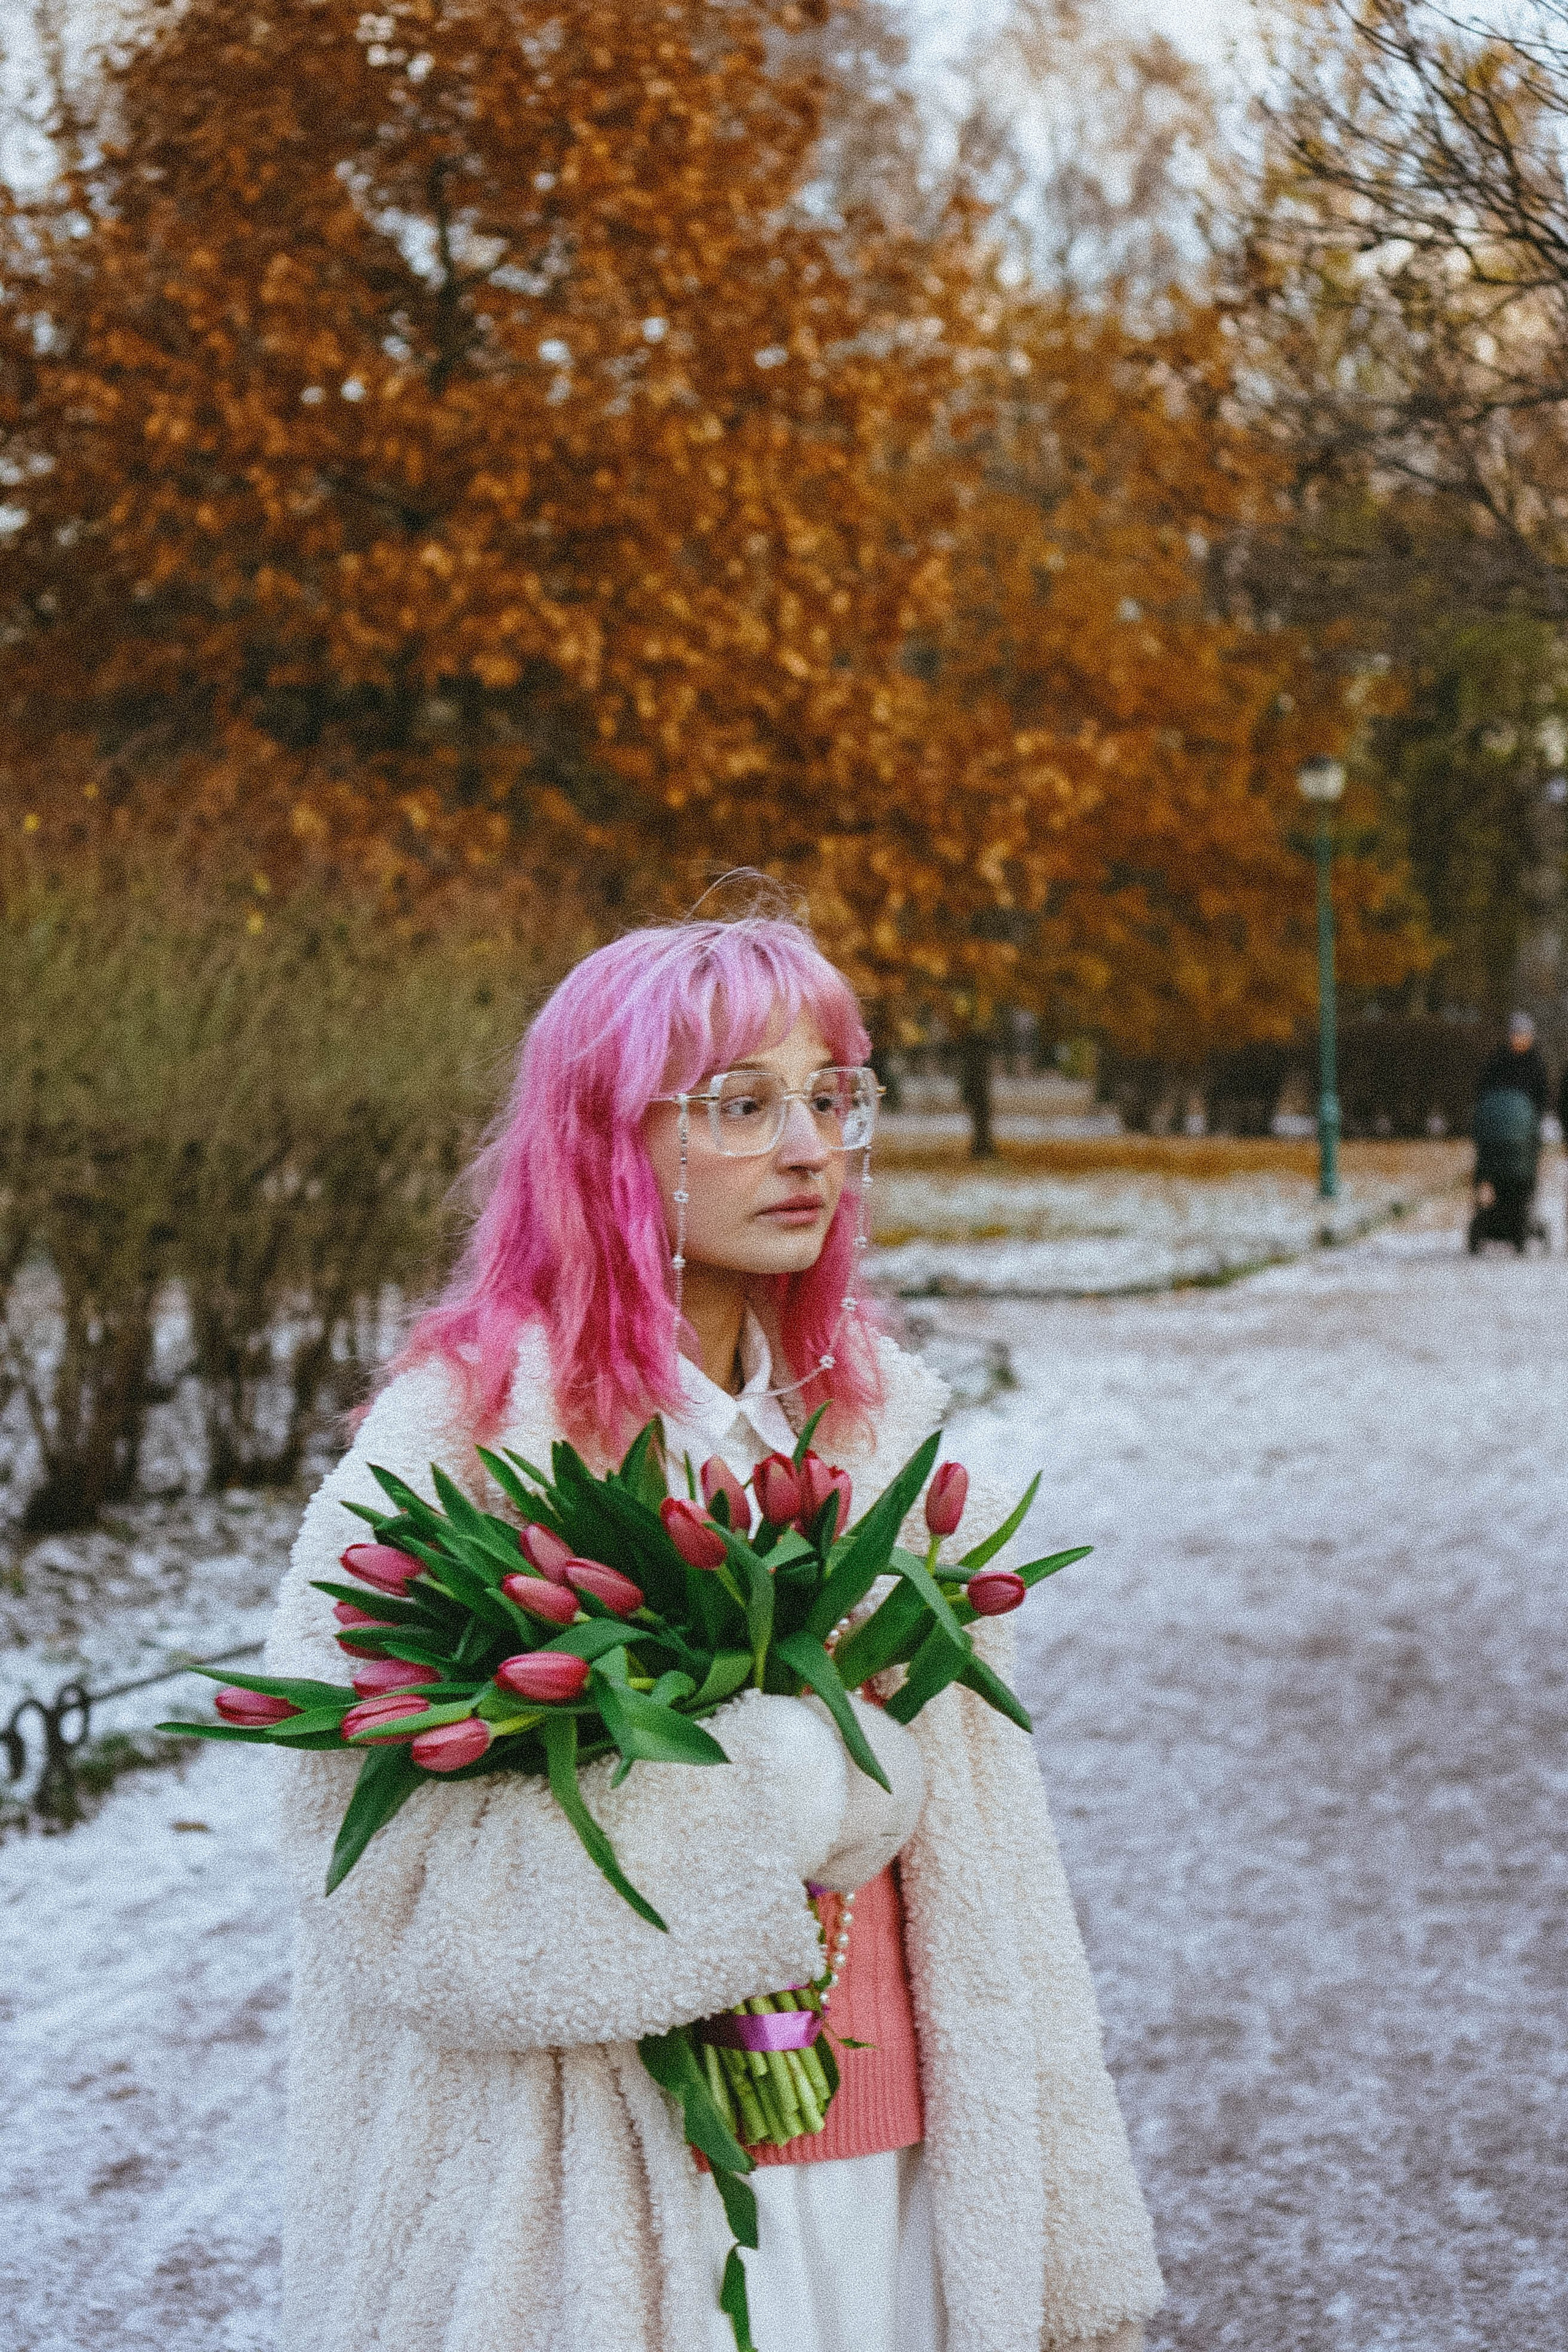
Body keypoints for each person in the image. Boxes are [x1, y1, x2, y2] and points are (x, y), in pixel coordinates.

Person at [263, 914, 1163, 2352]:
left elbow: (998, 1890)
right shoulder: (465, 1447)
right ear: (603, 1142)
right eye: (743, 1103)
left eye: (829, 1095)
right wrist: (780, 1784)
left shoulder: (870, 1425)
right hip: (602, 2213)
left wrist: (1054, 2213)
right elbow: (387, 1895)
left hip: (902, 2161)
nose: (807, 1145)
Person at [1470, 1012, 1547, 1254]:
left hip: (1523, 1138)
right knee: (1493, 1180)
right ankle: (1492, 1221)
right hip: (1497, 1136)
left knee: (1521, 1183)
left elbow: (1541, 1099)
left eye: (1523, 1035)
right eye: (1516, 1035)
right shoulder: (1497, 1062)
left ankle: (1518, 1222)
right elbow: (1484, 1095)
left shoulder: (1536, 1065)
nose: (1519, 1040)